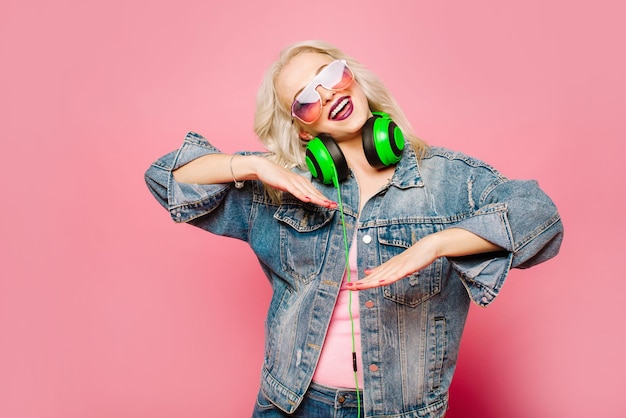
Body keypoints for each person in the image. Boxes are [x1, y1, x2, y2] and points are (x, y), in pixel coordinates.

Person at [144, 40, 563, 418]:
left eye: (330, 75)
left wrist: (435, 244)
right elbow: (166, 176)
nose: (326, 93)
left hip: (400, 411)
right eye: (306, 98)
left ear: (353, 78)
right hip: (291, 403)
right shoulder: (283, 186)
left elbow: (539, 216)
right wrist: (252, 165)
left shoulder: (446, 181)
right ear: (304, 129)